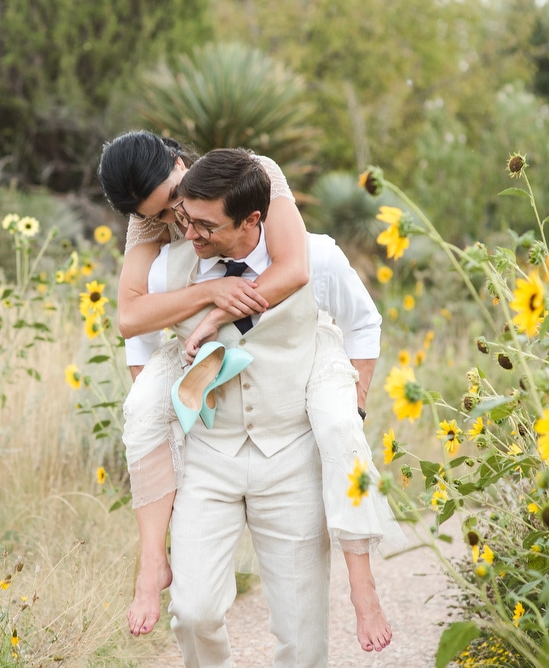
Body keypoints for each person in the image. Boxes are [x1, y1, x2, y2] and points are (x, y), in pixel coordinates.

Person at [98, 133, 402, 652]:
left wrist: (357, 397)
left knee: (303, 631)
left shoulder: (302, 238)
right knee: (191, 615)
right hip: (211, 455)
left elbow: (347, 309)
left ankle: (362, 583)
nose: (179, 222)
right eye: (168, 215)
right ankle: (153, 563)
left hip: (289, 448)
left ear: (251, 219)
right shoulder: (167, 261)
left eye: (184, 205)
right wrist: (177, 406)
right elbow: (134, 330)